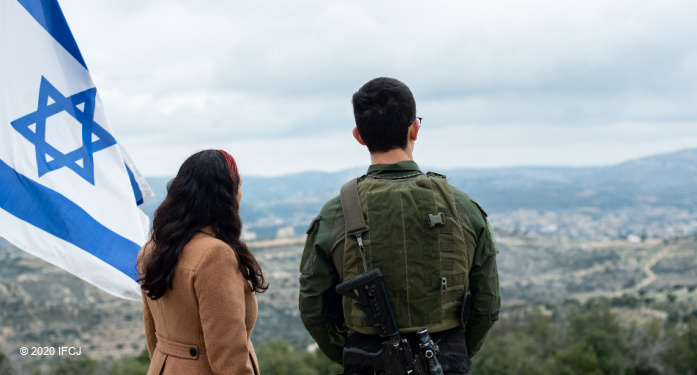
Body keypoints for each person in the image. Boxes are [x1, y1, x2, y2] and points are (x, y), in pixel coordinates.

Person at [299, 77, 501, 374]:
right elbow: (487, 303)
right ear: (414, 129)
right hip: (446, 359)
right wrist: (456, 353)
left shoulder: (335, 213)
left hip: (366, 359)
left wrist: (352, 355)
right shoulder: (463, 208)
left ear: (359, 136)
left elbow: (313, 307)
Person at [138, 150, 267, 375]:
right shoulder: (215, 255)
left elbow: (152, 334)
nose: (240, 194)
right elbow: (229, 355)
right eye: (238, 186)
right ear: (225, 195)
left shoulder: (152, 248)